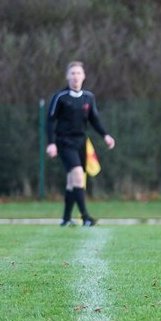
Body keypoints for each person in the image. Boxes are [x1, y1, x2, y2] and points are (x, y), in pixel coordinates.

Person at [47, 62, 114, 227]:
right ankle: (86, 217)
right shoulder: (60, 97)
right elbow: (50, 120)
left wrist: (105, 135)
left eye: (78, 73)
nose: (75, 76)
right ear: (67, 76)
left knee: (72, 182)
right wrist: (51, 143)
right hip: (64, 142)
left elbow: (94, 119)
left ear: (83, 76)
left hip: (81, 142)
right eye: (72, 73)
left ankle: (65, 219)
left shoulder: (88, 97)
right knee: (78, 176)